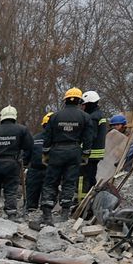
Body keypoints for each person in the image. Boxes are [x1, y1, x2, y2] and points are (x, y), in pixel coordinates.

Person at [41, 89, 92, 220]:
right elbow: (88, 138)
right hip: (74, 152)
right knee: (69, 182)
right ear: (79, 101)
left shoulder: (55, 116)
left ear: (65, 100)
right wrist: (85, 155)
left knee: (51, 182)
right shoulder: (85, 117)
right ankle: (64, 213)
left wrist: (46, 153)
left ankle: (47, 214)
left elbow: (47, 136)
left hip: (56, 151)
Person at [0, 107, 33, 218]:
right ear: (14, 116)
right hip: (13, 163)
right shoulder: (22, 130)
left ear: (2, 116)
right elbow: (29, 146)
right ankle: (11, 214)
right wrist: (24, 160)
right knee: (11, 190)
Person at [80, 91, 110, 196]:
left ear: (89, 103)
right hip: (96, 153)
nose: (82, 107)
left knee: (85, 178)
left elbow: (90, 136)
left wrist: (83, 149)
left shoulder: (92, 117)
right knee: (91, 176)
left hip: (90, 153)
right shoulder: (99, 115)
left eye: (83, 104)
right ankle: (91, 196)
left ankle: (83, 199)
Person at [24, 113, 53, 219]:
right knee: (33, 193)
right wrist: (25, 164)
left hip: (49, 171)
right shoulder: (35, 139)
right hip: (35, 170)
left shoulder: (57, 140)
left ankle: (45, 214)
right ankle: (31, 212)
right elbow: (27, 153)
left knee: (48, 194)